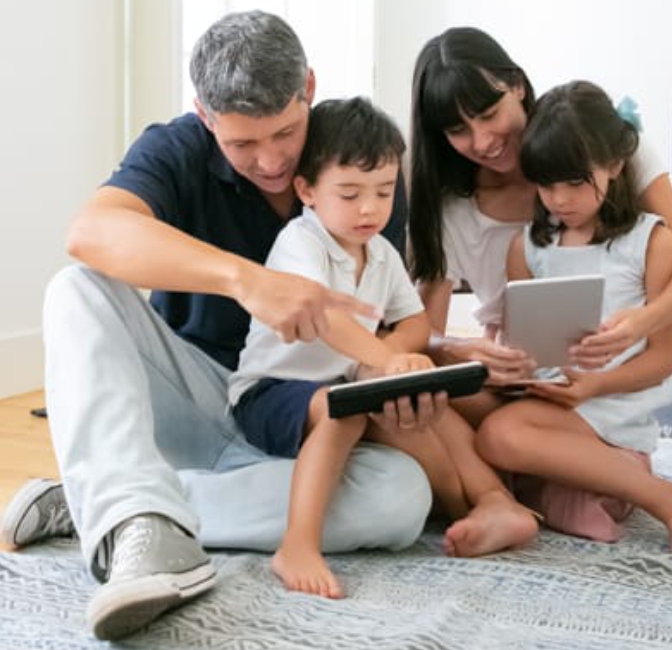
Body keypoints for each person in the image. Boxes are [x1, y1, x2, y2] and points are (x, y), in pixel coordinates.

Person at [0, 11, 441, 641]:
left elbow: (391, 318)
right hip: (194, 392)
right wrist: (246, 280)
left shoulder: (355, 164)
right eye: (241, 144)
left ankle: (109, 503)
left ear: (308, 85)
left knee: (402, 499)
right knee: (75, 288)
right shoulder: (176, 148)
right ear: (205, 117)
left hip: (298, 418)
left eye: (285, 132)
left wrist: (391, 371)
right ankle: (133, 513)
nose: (271, 160)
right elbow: (89, 232)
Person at [230, 97, 540, 598]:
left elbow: (415, 320)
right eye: (350, 194)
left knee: (425, 407)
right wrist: (385, 359)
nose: (370, 208)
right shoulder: (300, 242)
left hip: (344, 381)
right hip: (271, 390)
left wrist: (397, 358)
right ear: (307, 190)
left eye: (385, 191)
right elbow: (325, 320)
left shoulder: (381, 252)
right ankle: (298, 544)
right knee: (345, 411)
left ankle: (489, 501)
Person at [408, 27, 672, 424]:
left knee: (510, 442)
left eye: (489, 115)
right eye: (458, 131)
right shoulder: (453, 207)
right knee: (426, 405)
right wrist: (458, 348)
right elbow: (421, 331)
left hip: (606, 381)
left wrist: (643, 322)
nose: (483, 141)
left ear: (517, 86)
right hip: (518, 378)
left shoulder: (595, 146)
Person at [474, 80, 672, 552]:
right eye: (546, 185)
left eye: (574, 182)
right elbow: (524, 348)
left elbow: (664, 359)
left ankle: (667, 499)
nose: (559, 200)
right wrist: (508, 368)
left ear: (614, 165)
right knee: (461, 410)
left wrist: (595, 385)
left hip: (611, 407)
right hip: (552, 401)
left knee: (500, 435)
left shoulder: (652, 242)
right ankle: (587, 487)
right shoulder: (526, 248)